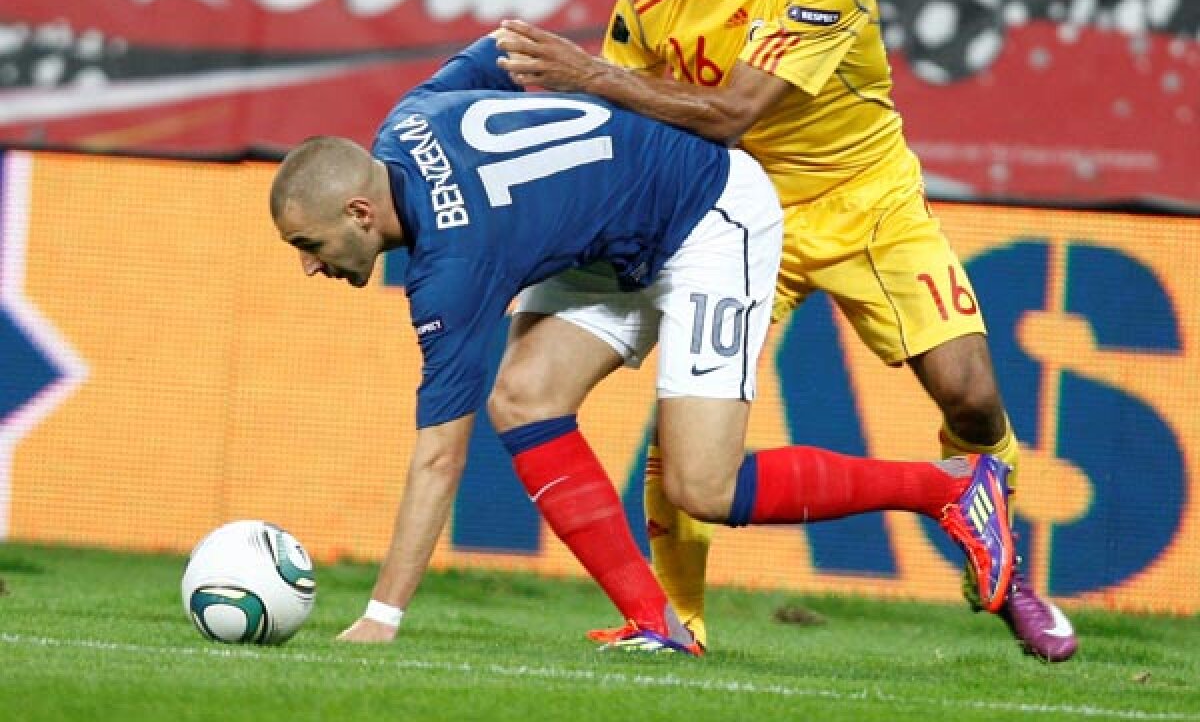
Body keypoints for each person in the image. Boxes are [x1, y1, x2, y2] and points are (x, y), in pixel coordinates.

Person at [493, 0, 1077, 662]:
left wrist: (590, 73)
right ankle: (677, 620)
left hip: (866, 205)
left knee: (973, 396)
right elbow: (612, 116)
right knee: (690, 427)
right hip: (734, 217)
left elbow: (730, 113)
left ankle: (1001, 562)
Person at [269, 32, 1016, 653]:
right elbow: (506, 44)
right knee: (526, 395)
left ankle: (949, 487)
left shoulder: (452, 272)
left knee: (703, 488)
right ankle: (657, 622)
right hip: (613, 238)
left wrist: (381, 618)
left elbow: (440, 457)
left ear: (363, 212)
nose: (308, 264)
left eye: (309, 243)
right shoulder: (408, 119)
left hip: (709, 213)